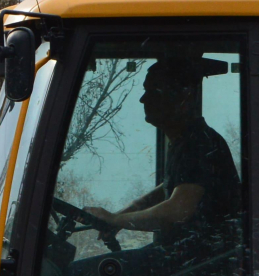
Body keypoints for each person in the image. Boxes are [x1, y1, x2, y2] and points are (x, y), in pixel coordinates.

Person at [86, 56, 241, 259]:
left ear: (183, 98)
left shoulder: (199, 144)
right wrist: (121, 215)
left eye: (153, 92)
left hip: (195, 263)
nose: (143, 99)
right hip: (183, 256)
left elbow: (178, 210)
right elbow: (172, 187)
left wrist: (116, 220)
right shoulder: (185, 141)